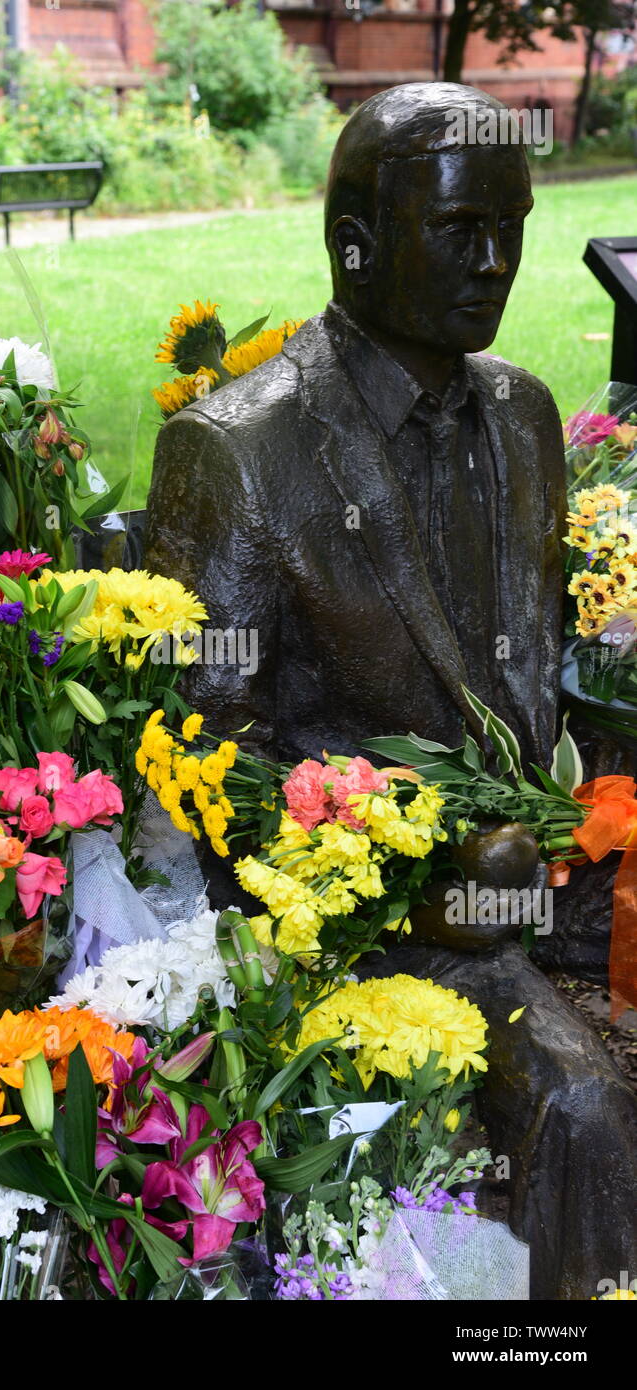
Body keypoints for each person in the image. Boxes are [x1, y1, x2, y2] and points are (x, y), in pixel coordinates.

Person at [145, 82, 637, 1299]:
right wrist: (410, 883)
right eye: (463, 229)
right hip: (385, 923)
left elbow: (528, 675)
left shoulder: (521, 413)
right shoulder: (241, 448)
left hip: (549, 874)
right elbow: (199, 759)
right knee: (580, 1100)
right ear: (355, 242)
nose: (497, 262)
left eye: (513, 228)